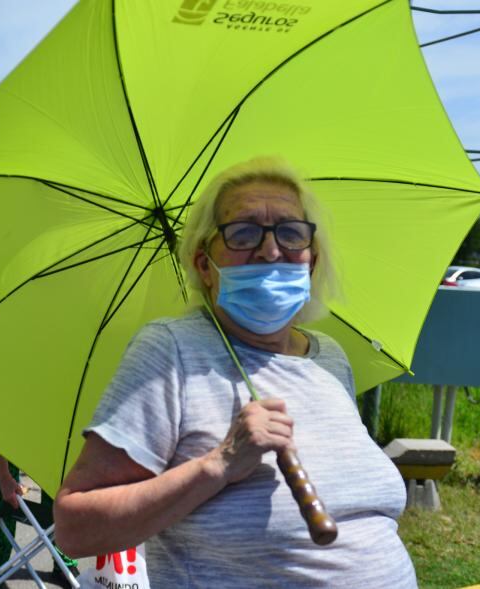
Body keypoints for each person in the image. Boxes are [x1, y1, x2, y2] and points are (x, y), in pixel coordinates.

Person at [53, 157, 417, 587]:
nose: (270, 249)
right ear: (205, 265)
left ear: (312, 260)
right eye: (243, 232)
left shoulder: (330, 359)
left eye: (290, 232)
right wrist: (219, 464)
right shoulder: (172, 351)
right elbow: (75, 529)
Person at [0, 450, 78, 589]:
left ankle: (64, 563)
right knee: (0, 495)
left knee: (60, 492)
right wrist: (3, 476)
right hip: (8, 433)